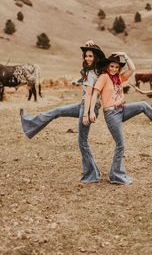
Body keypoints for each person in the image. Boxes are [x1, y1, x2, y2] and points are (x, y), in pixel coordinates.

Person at [89, 52, 152, 185]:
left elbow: (133, 69)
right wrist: (92, 111)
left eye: (116, 67)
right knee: (120, 145)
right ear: (107, 66)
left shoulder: (119, 78)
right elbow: (95, 94)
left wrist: (125, 55)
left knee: (143, 105)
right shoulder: (104, 77)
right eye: (112, 66)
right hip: (111, 114)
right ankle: (114, 175)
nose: (114, 69)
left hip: (122, 109)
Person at [20, 42, 106, 183]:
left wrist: (86, 114)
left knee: (82, 142)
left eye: (91, 56)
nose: (87, 58)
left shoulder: (93, 73)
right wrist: (93, 44)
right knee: (57, 111)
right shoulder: (93, 70)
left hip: (88, 107)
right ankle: (29, 124)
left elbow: (90, 95)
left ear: (96, 57)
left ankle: (92, 174)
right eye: (86, 56)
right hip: (84, 105)